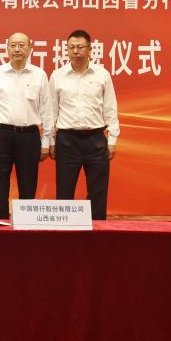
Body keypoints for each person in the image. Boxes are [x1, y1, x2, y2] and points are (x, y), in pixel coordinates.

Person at [0, 32, 53, 219]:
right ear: (7, 49)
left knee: (28, 185)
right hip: (1, 134)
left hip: (29, 136)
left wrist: (46, 142)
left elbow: (47, 111)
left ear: (30, 48)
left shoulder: (39, 75)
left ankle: (26, 226)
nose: (17, 49)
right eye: (13, 45)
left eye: (22, 45)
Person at [49, 30, 120, 220]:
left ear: (90, 50)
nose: (75, 51)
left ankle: (97, 231)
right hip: (66, 140)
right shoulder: (57, 76)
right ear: (66, 50)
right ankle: (64, 232)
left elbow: (110, 108)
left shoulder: (102, 75)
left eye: (80, 47)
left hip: (96, 139)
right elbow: (51, 112)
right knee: (64, 191)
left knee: (98, 192)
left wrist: (112, 140)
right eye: (71, 47)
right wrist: (50, 141)